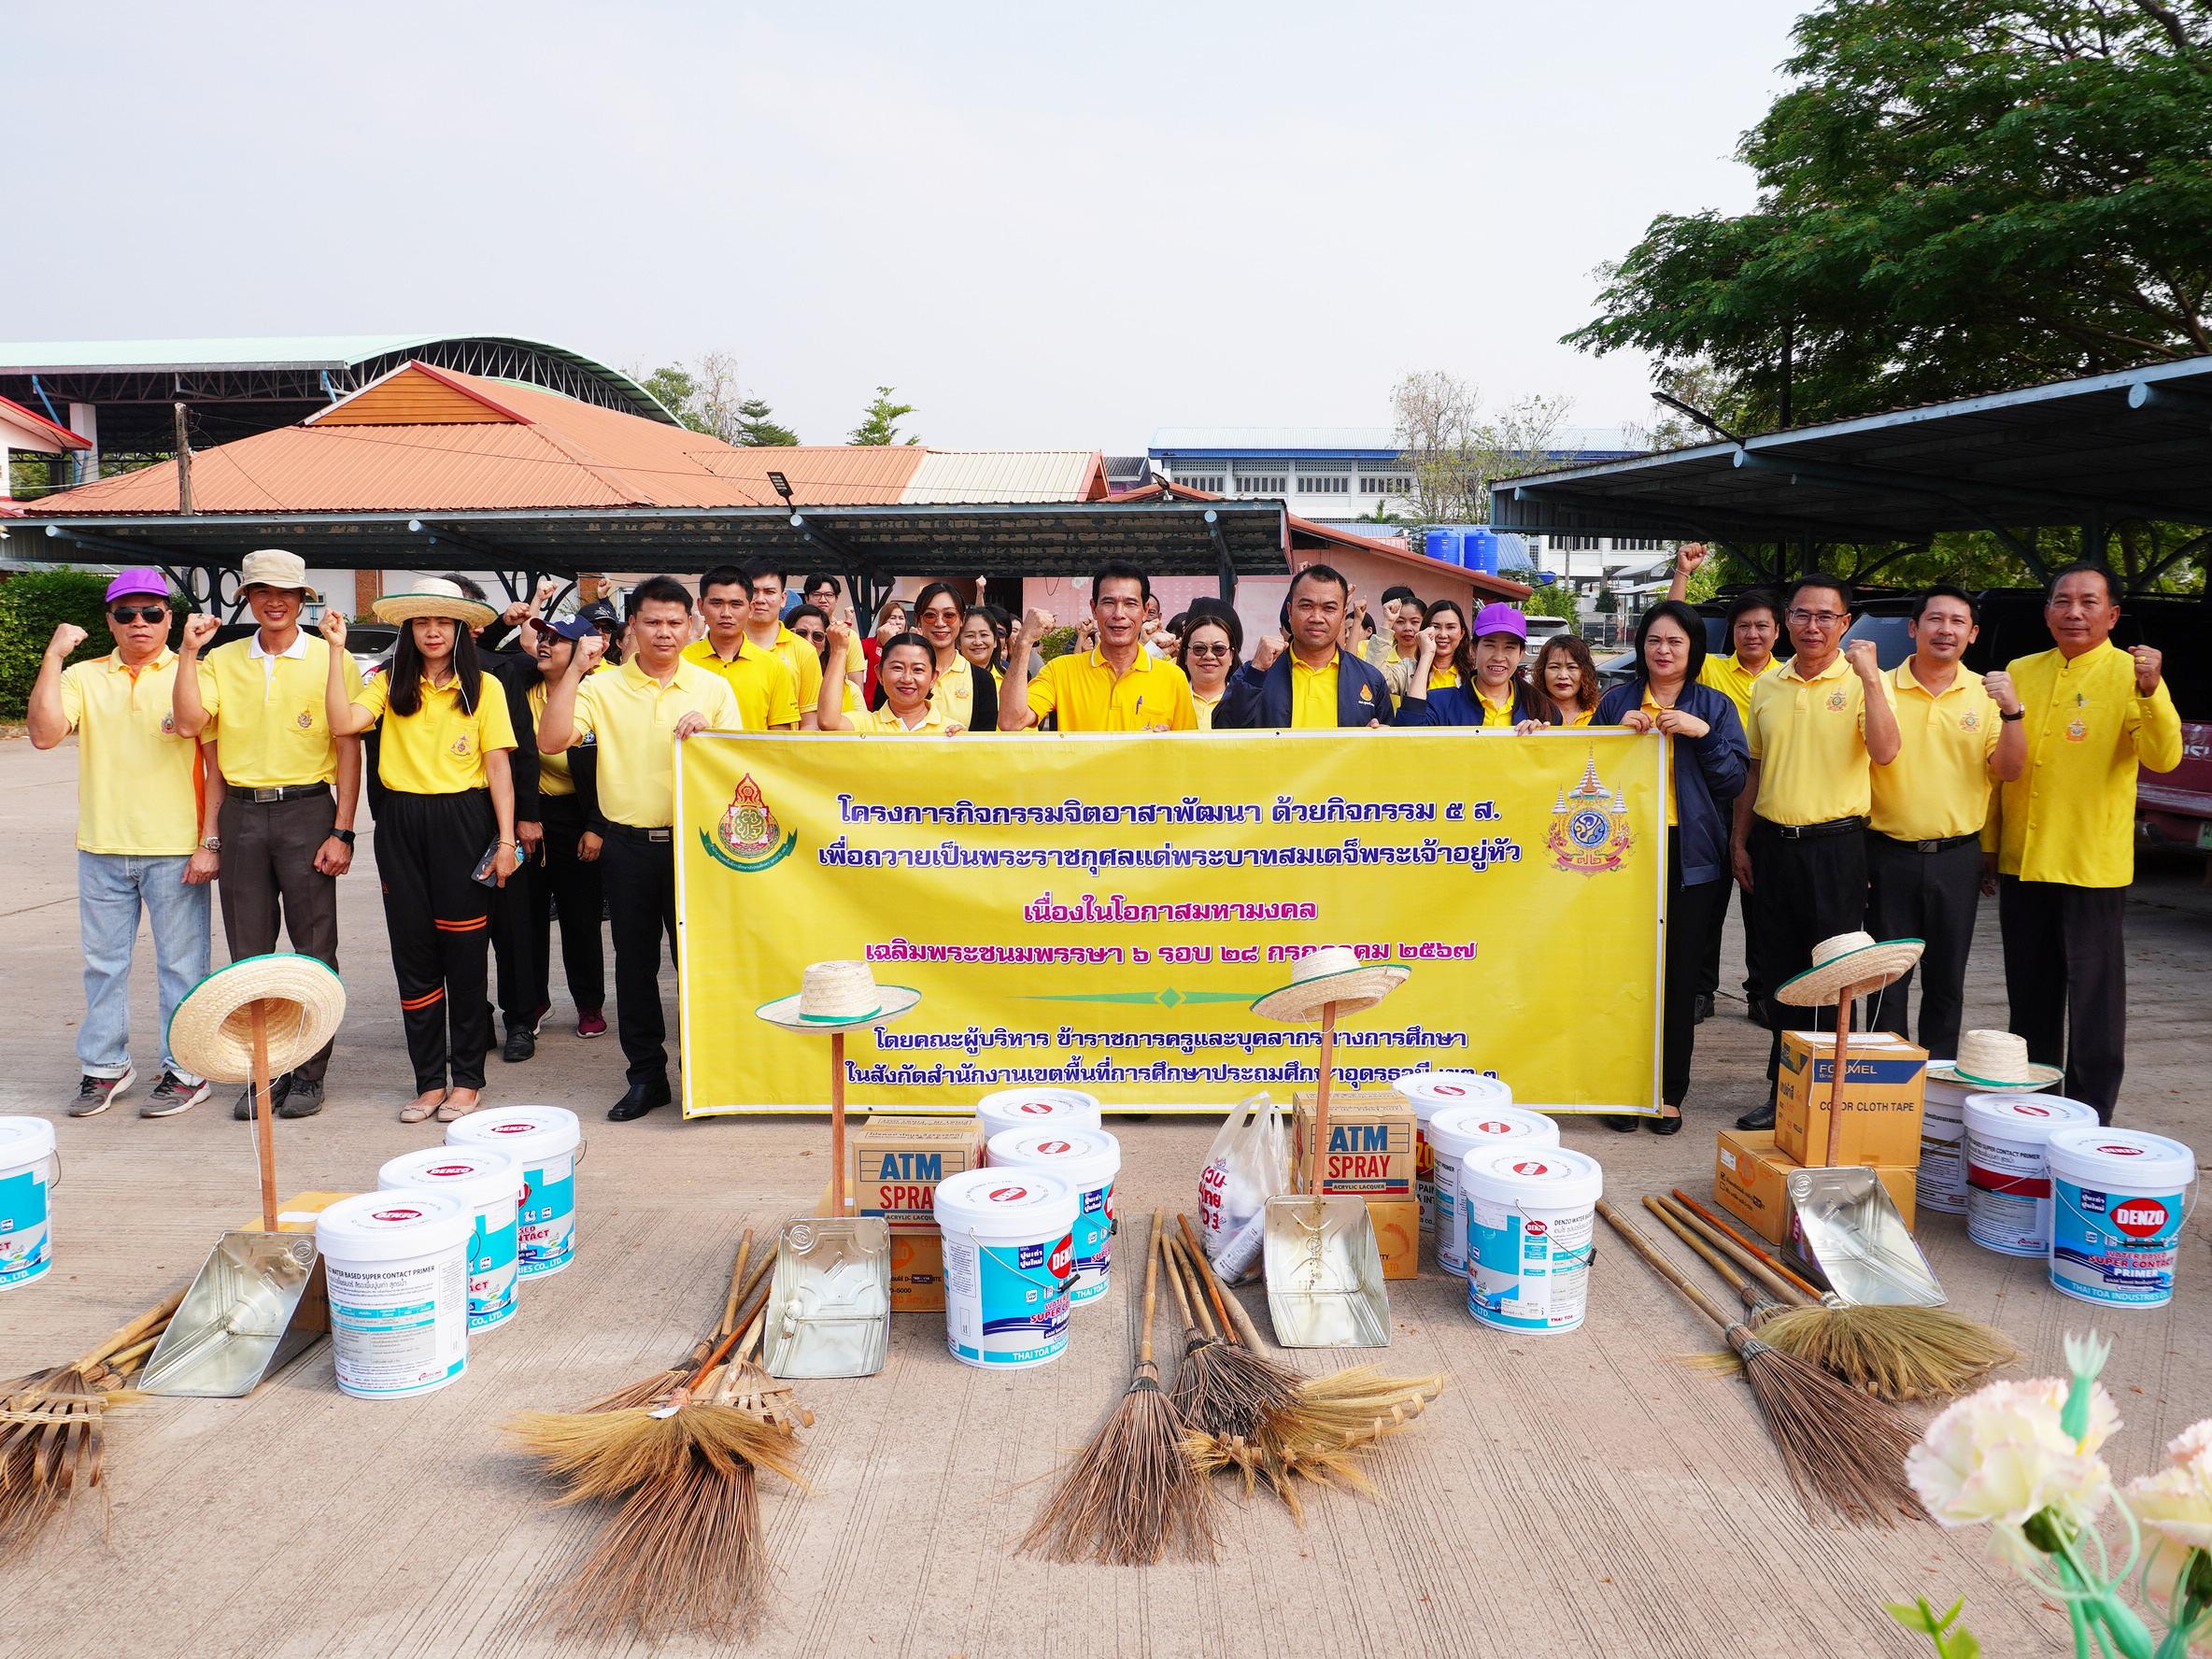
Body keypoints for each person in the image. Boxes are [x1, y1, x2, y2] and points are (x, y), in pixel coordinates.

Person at [536, 576, 742, 1121]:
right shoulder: (601, 688)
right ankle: (646, 1076)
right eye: (652, 621)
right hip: (627, 847)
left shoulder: (713, 689)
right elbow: (552, 741)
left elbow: (741, 772)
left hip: (696, 848)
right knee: (634, 967)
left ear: (691, 624)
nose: (665, 632)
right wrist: (576, 670)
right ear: (633, 626)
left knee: (698, 966)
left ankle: (705, 1076)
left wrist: (711, 737)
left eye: (675, 622)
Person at [173, 548, 362, 1120]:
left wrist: (343, 830)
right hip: (243, 816)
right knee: (248, 954)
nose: (273, 602)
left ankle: (309, 1073)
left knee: (314, 948)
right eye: (261, 591)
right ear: (247, 598)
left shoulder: (332, 658)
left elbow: (348, 749)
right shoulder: (223, 660)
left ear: (304, 598)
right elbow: (187, 724)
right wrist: (186, 652)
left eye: (286, 592)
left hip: (307, 811)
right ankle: (264, 1070)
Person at [1991, 563, 2182, 1122]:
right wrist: (1990, 844)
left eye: (2089, 602)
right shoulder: (2021, 671)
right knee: (2030, 996)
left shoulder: (2132, 673)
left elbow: (2164, 757)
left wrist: (2152, 691)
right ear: (2047, 610)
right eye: (2062, 601)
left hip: (2090, 865)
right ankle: (2033, 1108)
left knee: (2095, 1002)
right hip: (2023, 862)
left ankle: (2091, 1113)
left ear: (2113, 614)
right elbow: (2002, 767)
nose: (2074, 612)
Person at [323, 582, 518, 1123]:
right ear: (407, 631)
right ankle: (429, 1081)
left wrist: (506, 841)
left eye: (444, 622)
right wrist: (337, 651)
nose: (432, 631)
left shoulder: (484, 688)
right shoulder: (389, 683)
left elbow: (499, 768)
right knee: (414, 955)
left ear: (460, 630)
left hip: (464, 820)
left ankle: (468, 1082)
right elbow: (344, 723)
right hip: (402, 824)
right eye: (421, 623)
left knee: (464, 955)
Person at [29, 571, 219, 1117]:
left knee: (182, 966)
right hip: (102, 844)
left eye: (152, 613)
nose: (140, 623)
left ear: (169, 618)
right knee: (103, 964)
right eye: (127, 614)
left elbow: (214, 765)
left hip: (174, 845)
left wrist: (210, 841)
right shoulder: (85, 676)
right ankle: (104, 1066)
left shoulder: (193, 673)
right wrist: (53, 657)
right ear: (109, 620)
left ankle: (185, 1070)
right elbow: (43, 734)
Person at [1730, 574, 1900, 1129]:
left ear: (1845, 623)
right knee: (1778, 976)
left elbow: (1886, 750)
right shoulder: (1768, 687)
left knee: (1834, 975)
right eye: (1803, 615)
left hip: (1837, 847)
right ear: (1787, 620)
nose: (1813, 626)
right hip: (1774, 845)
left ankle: (1830, 1099)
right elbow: (1755, 769)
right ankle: (1783, 1093)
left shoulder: (1863, 682)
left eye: (1826, 616)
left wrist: (1872, 681)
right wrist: (1740, 839)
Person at [1594, 602, 1748, 1134]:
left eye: (1675, 642)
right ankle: (1621, 1088)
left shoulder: (1716, 706)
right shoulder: (1615, 702)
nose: (1663, 651)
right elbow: (1580, 773)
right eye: (1654, 641)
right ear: (1641, 646)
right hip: (1621, 855)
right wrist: (1615, 738)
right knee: (1624, 974)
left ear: (1693, 649)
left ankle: (1668, 1092)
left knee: (1680, 978)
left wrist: (1701, 734)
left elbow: (1731, 783)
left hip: (1691, 855)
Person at [1863, 587, 2026, 1063]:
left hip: (1957, 857)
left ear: (1972, 634)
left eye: (1958, 622)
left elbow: (2010, 770)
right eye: (1935, 619)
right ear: (1914, 628)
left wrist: (2014, 712)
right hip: (1886, 853)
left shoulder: (1987, 695)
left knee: (1946, 980)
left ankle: (1935, 1091)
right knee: (1887, 981)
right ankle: (1887, 1084)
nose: (1946, 630)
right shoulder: (1879, 687)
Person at [519, 616, 608, 1043]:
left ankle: (589, 1005)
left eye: (557, 641)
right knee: (528, 918)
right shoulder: (519, 690)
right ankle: (534, 1002)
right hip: (529, 818)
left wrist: (595, 826)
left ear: (580, 652)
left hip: (580, 817)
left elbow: (611, 770)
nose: (544, 645)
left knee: (580, 918)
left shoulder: (596, 695)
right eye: (543, 637)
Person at [1002, 562, 1198, 731]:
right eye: (1108, 602)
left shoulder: (1173, 678)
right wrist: (1023, 643)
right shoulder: (1060, 671)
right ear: (1094, 608)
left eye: (1130, 603)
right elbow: (1011, 721)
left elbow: (1189, 754)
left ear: (1145, 611)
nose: (1119, 614)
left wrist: (1168, 745)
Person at [1216, 564, 1394, 730]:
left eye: (1329, 608)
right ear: (1290, 610)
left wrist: (1381, 736)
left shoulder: (1371, 680)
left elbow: (1390, 752)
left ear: (1342, 614)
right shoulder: (1254, 674)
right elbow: (1223, 733)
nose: (1317, 617)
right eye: (1306, 606)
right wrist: (1256, 672)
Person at [1397, 603, 1556, 729]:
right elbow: (1408, 735)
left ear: (1521, 653)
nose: (1499, 657)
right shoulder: (1440, 703)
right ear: (1474, 648)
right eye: (1490, 645)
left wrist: (1537, 741)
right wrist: (1426, 655)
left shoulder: (1542, 708)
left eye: (1509, 647)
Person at [680, 566, 801, 731]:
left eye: (736, 604)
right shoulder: (681, 661)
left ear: (750, 609)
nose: (726, 613)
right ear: (701, 606)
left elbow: (779, 740)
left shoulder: (773, 666)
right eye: (717, 603)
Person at [819, 621, 962, 734]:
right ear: (880, 674)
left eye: (918, 669)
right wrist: (839, 651)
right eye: (897, 668)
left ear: (933, 678)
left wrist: (966, 742)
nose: (907, 679)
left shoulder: (950, 731)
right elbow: (828, 722)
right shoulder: (866, 726)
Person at [906, 582, 999, 731]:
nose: (940, 623)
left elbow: (983, 744)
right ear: (918, 621)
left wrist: (965, 739)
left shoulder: (982, 680)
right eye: (930, 615)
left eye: (949, 615)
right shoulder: (897, 674)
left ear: (962, 619)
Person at [741, 563, 823, 726]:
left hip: (782, 749)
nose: (760, 599)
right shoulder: (726, 646)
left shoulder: (805, 651)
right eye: (754, 591)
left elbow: (810, 722)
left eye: (769, 592)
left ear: (783, 598)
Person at [1178, 608, 1242, 730]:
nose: (1209, 656)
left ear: (1231, 656)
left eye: (1218, 649)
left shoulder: (1244, 701)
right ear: (1185, 655)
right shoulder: (1171, 698)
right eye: (1199, 649)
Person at [1532, 634, 1602, 727]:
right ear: (1542, 671)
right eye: (1554, 667)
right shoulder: (1528, 713)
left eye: (1572, 667)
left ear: (1585, 672)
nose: (1562, 676)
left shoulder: (1600, 714)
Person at [862, 597, 909, 704]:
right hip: (873, 703)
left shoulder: (911, 645)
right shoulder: (870, 643)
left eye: (901, 618)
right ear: (884, 620)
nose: (897, 622)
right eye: (893, 617)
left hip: (901, 701)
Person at [1418, 600, 1468, 689]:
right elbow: (1383, 679)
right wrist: (1388, 623)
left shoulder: (1473, 674)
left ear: (1462, 633)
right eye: (1435, 627)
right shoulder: (1407, 669)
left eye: (1451, 627)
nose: (1443, 635)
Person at [958, 606, 1002, 685]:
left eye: (984, 634)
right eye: (970, 636)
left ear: (995, 641)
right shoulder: (949, 678)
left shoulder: (1007, 678)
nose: (978, 642)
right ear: (958, 643)